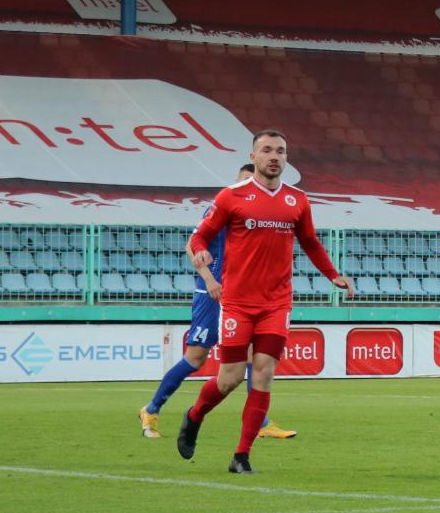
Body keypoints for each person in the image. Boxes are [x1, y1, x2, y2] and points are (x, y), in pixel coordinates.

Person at [176, 131, 349, 474]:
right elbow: (199, 235)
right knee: (230, 379)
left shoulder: (298, 200)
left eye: (281, 151)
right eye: (267, 150)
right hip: (238, 302)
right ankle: (194, 416)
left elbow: (310, 242)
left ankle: (242, 455)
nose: (274, 156)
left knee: (264, 373)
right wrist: (202, 251)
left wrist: (333, 274)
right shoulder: (231, 197)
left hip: (276, 303)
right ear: (253, 156)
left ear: (286, 158)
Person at [142, 165, 296, 442]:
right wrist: (209, 280)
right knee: (196, 358)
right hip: (210, 293)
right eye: (247, 180)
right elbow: (192, 244)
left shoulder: (259, 213)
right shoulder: (226, 203)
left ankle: (261, 422)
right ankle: (151, 410)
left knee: (252, 356)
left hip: (238, 294)